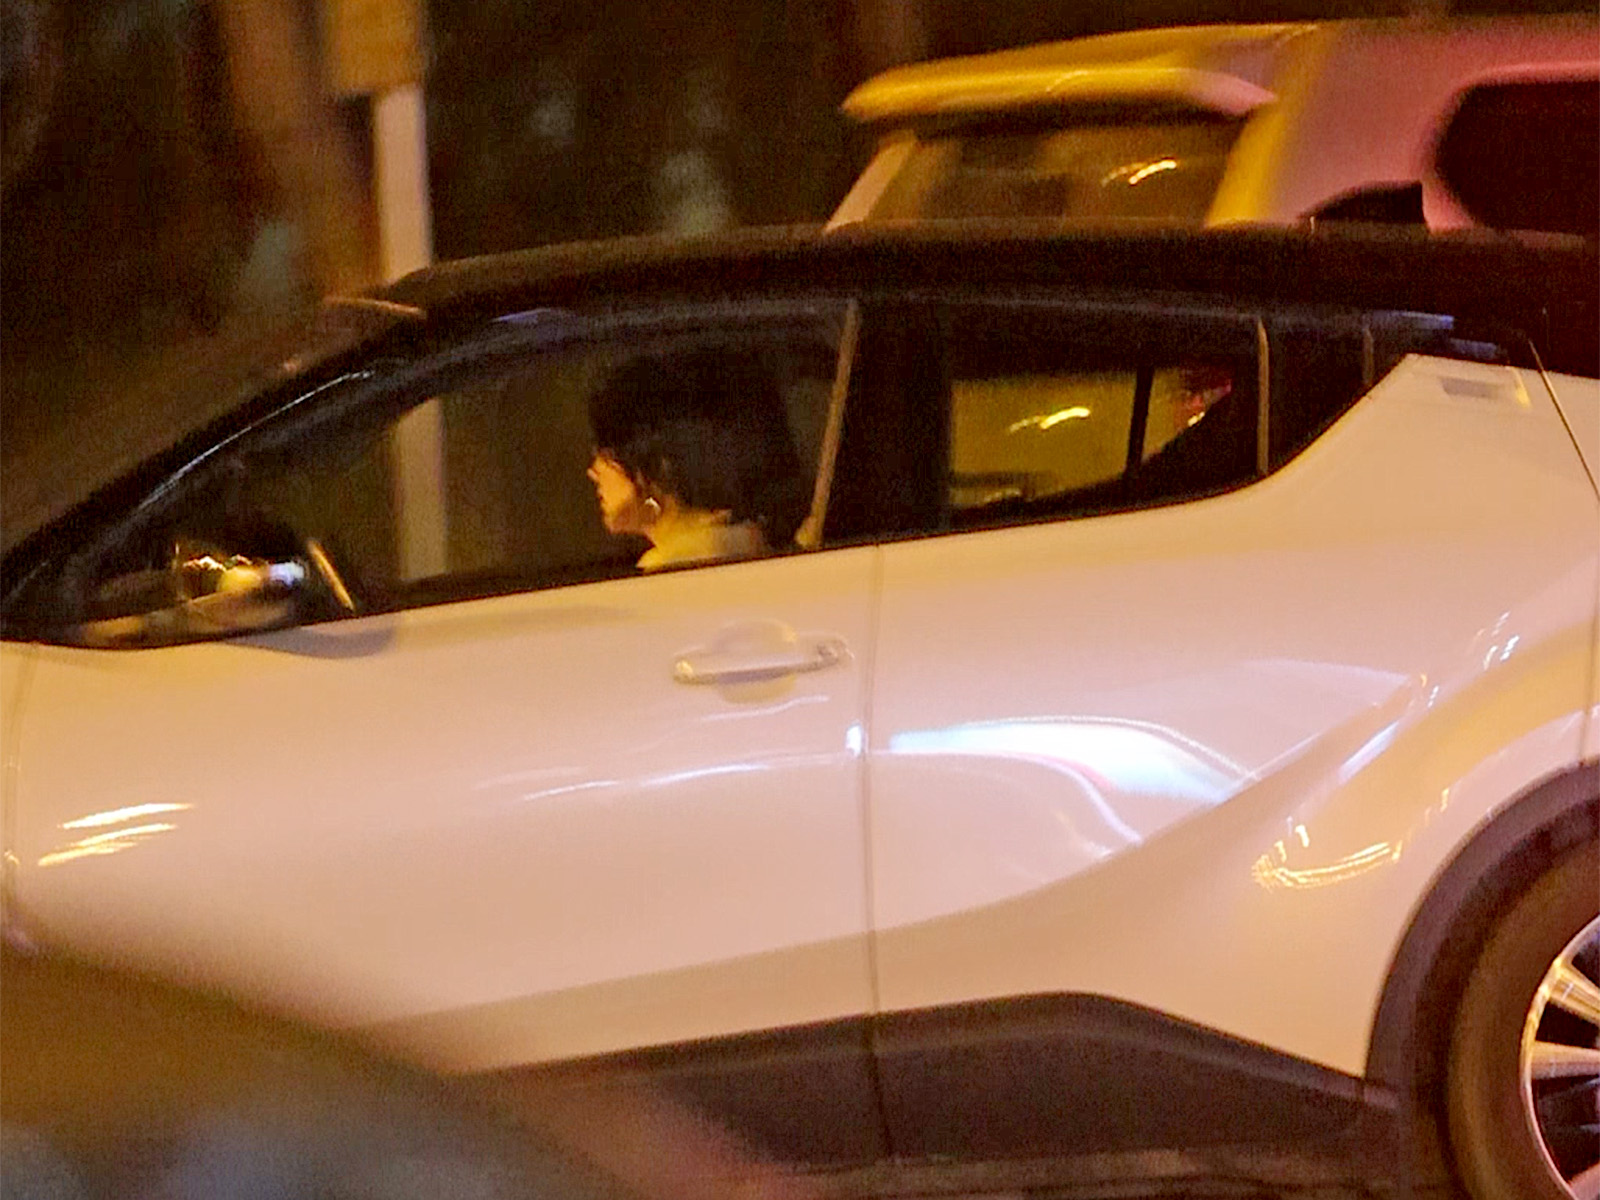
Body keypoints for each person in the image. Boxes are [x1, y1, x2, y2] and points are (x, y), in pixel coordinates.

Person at [586, 347, 808, 571]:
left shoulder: (672, 564)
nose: (593, 471)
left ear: (658, 463)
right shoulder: (746, 538)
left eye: (605, 454)